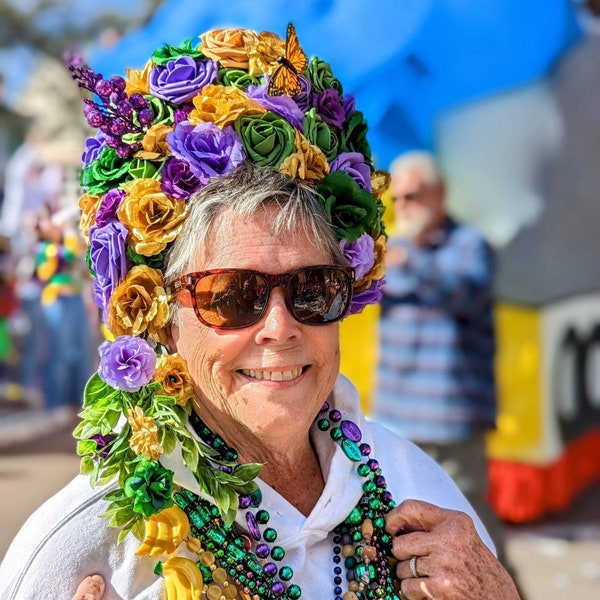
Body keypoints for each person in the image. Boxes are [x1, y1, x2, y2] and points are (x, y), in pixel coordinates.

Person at [0, 25, 520, 600]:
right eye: (231, 295)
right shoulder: (84, 546)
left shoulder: (418, 491)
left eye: (313, 289)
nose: (279, 327)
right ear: (160, 318)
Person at [371, 150, 507, 565]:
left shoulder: (468, 246)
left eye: (414, 196)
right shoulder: (388, 251)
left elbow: (463, 292)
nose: (404, 207)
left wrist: (411, 258)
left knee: (473, 525)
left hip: (452, 420)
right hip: (396, 418)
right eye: (397, 199)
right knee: (402, 529)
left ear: (440, 194)